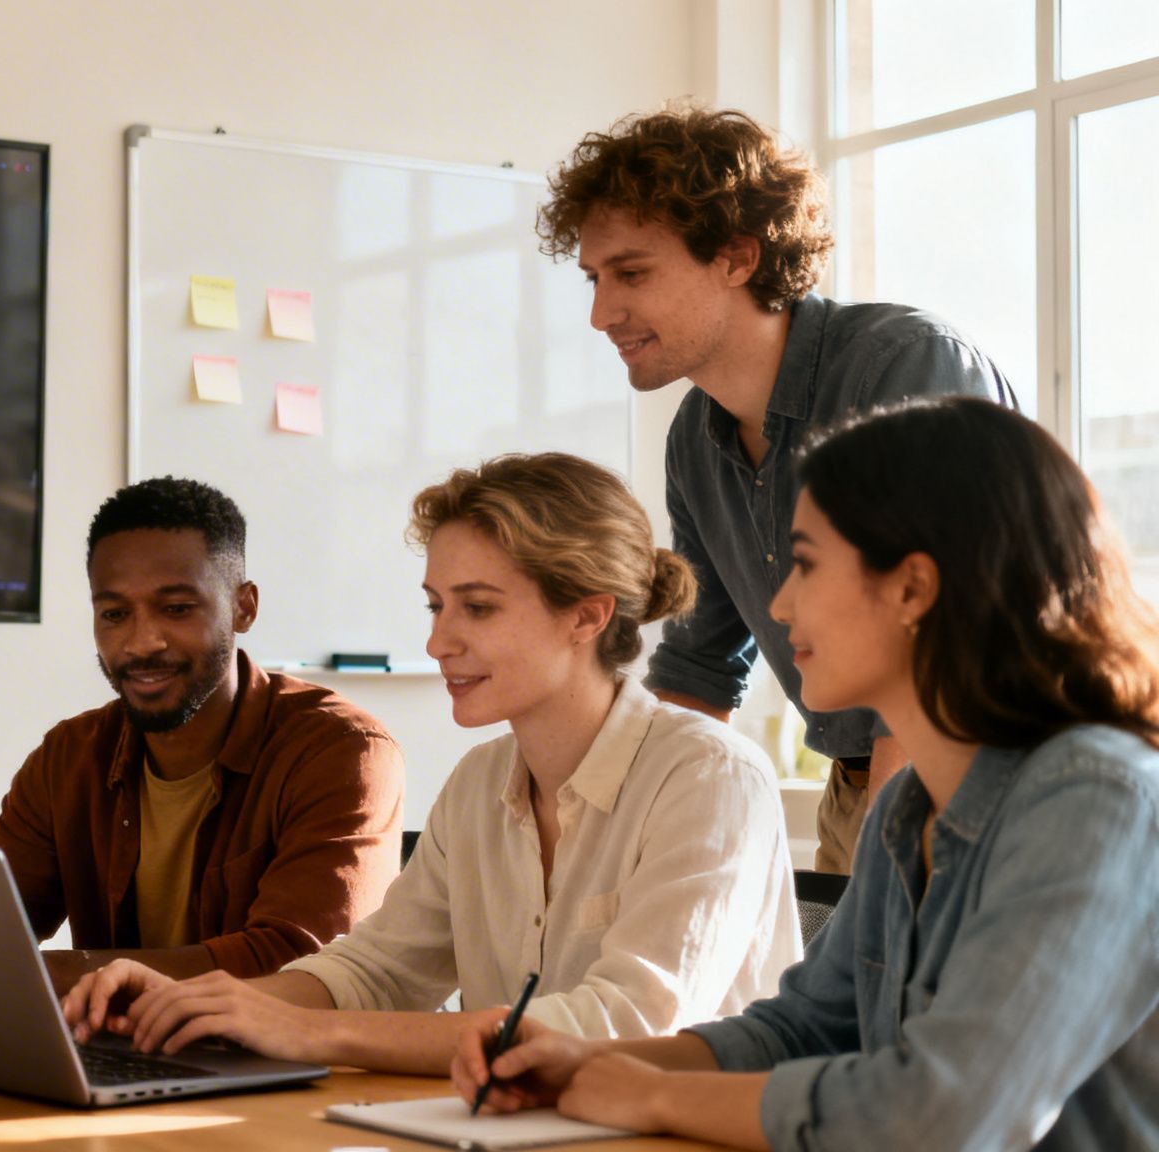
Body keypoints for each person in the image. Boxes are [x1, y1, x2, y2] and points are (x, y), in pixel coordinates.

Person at [454, 399, 1159, 1151]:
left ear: (913, 588)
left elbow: (943, 1112)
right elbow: (801, 1029)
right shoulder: (910, 806)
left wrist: (655, 1097)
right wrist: (585, 1062)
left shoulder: (1098, 801)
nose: (781, 605)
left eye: (807, 563)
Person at [63, 456, 798, 1074]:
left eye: (476, 609)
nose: (440, 640)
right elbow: (377, 973)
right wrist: (205, 999)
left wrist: (311, 1033)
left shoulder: (709, 777)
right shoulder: (481, 783)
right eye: (435, 606)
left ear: (586, 616)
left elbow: (624, 1025)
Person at [540, 106, 1017, 873]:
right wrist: (615, 844)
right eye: (595, 278)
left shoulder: (904, 366)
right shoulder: (694, 438)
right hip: (857, 785)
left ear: (736, 256)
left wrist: (890, 864)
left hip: (985, 783)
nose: (601, 313)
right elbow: (699, 669)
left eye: (632, 273)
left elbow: (938, 641)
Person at [0, 477, 404, 993]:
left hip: (287, 1068)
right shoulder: (69, 757)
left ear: (244, 607)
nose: (142, 643)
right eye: (114, 614)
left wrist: (63, 974)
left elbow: (298, 963)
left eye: (177, 608)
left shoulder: (340, 750)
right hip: (125, 1061)